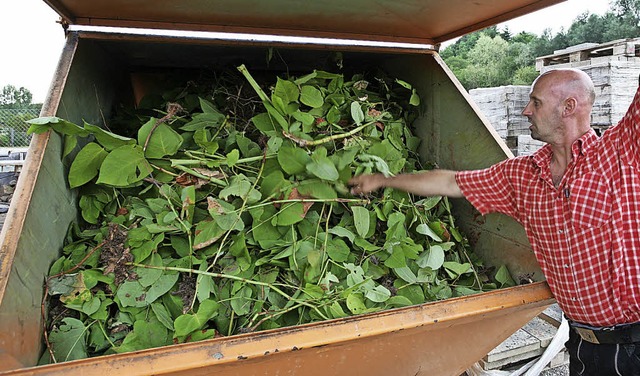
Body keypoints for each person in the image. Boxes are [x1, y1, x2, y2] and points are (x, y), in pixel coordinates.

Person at [349, 68, 640, 376]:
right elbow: (451, 183)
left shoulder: (621, 152)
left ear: (568, 107)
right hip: (584, 347)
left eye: (536, 103)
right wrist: (384, 180)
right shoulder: (522, 176)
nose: (526, 110)